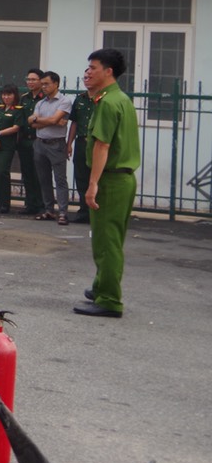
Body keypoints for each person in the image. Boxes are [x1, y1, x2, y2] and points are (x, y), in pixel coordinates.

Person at [75, 48, 140, 318]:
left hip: (111, 180)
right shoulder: (119, 98)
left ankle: (110, 300)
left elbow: (102, 145)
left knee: (106, 242)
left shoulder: (109, 103)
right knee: (110, 238)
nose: (88, 72)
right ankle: (101, 286)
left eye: (93, 67)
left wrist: (93, 185)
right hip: (121, 179)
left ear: (108, 71)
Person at [30, 70, 74, 224]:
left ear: (56, 84)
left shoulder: (64, 101)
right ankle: (49, 210)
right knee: (44, 179)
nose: (43, 87)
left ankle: (63, 213)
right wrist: (48, 120)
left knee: (60, 180)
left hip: (56, 144)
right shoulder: (40, 102)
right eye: (42, 84)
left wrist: (39, 120)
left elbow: (56, 119)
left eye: (46, 84)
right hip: (40, 143)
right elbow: (31, 121)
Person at [0, 84, 24, 214]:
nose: (6, 97)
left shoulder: (18, 110)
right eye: (4, 94)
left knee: (2, 171)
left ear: (14, 96)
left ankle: (5, 203)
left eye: (9, 95)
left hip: (7, 145)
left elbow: (16, 127)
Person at [17, 68, 47, 216]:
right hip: (25, 140)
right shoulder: (24, 98)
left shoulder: (44, 99)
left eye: (33, 79)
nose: (30, 82)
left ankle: (43, 205)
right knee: (27, 173)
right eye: (28, 79)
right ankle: (30, 204)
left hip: (39, 139)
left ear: (41, 81)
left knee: (39, 174)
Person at [66, 81, 95, 223]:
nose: (88, 80)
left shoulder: (104, 99)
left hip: (97, 144)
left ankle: (96, 212)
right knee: (81, 177)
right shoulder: (80, 99)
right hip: (81, 142)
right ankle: (84, 211)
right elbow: (74, 123)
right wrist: (69, 143)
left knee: (95, 178)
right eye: (86, 78)